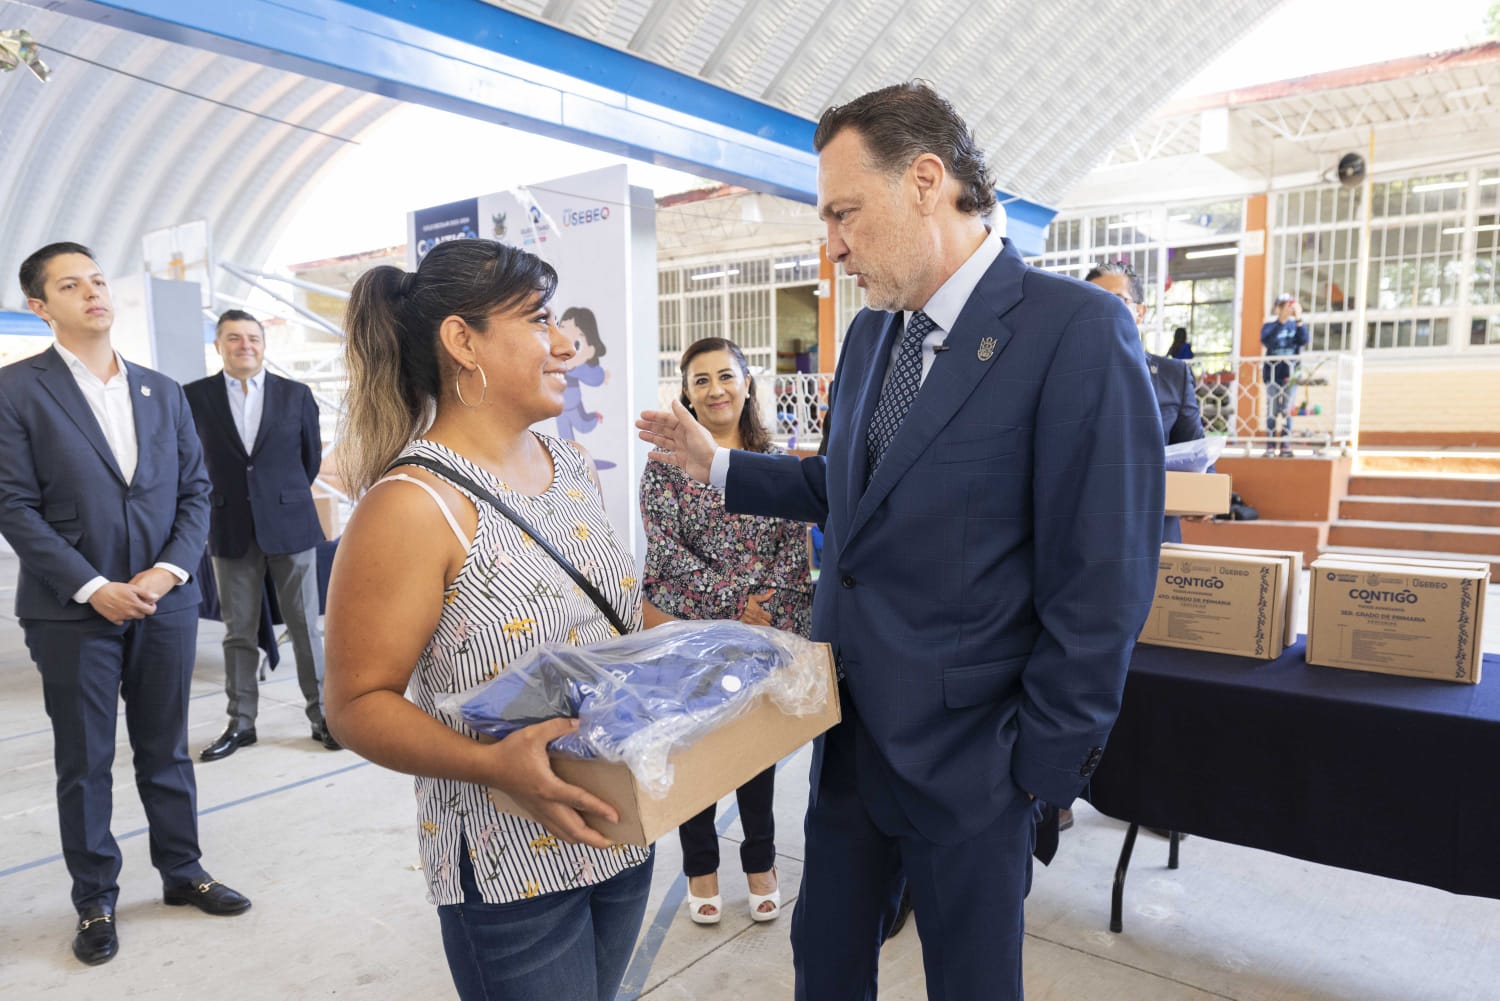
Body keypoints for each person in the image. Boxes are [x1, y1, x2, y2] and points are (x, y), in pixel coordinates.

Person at [637, 83, 1164, 1001]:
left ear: (926, 182)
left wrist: (1037, 775)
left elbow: (1104, 581)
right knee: (825, 966)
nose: (832, 244)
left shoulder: (1071, 332)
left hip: (976, 763)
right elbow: (846, 491)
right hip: (851, 744)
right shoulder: (878, 336)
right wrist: (714, 463)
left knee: (970, 981)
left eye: (845, 212)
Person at [323, 238, 653, 1001]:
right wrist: (490, 764)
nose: (566, 342)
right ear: (462, 342)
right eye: (539, 319)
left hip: (618, 823)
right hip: (512, 869)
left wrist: (721, 640)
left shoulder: (567, 466)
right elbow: (357, 703)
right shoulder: (412, 506)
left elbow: (610, 611)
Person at [0, 242, 251, 967]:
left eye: (99, 280)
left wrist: (169, 572)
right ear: (40, 307)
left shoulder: (161, 390)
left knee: (166, 747)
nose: (93, 293)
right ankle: (95, 898)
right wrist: (93, 586)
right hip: (71, 609)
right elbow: (14, 505)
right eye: (70, 285)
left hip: (162, 604)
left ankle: (183, 870)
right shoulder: (18, 391)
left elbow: (196, 490)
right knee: (85, 760)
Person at [639, 336, 813, 926]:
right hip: (691, 631)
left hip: (760, 635)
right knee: (695, 750)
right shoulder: (665, 462)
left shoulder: (779, 464)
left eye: (725, 376)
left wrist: (767, 611)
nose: (715, 390)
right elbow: (664, 552)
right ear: (686, 394)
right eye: (700, 380)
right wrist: (734, 599)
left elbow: (792, 551)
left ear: (747, 384)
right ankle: (701, 870)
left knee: (752, 755)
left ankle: (761, 863)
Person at [185, 309, 337, 760]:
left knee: (306, 628)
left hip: (291, 525)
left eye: (252, 337)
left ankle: (323, 716)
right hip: (229, 525)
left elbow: (309, 459)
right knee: (238, 632)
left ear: (263, 345)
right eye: (233, 338)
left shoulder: (296, 394)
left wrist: (279, 498)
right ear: (218, 346)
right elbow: (188, 460)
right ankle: (241, 723)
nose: (244, 345)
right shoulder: (193, 397)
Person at [1086, 262, 1205, 543]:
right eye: (1091, 301)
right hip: (1085, 530)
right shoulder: (1062, 371)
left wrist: (1204, 491)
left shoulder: (1173, 375)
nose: (1101, 309)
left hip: (1154, 531)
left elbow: (1194, 447)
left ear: (1140, 312)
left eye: (1115, 300)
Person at [1261, 293, 1308, 457]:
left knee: (1287, 411)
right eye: (1284, 306)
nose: (1287, 310)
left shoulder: (1296, 326)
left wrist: (1298, 318)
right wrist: (1281, 321)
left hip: (1290, 375)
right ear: (1277, 309)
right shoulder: (1269, 326)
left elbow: (1304, 340)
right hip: (1273, 375)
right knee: (1272, 410)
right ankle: (1270, 445)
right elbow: (1267, 341)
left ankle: (1286, 445)